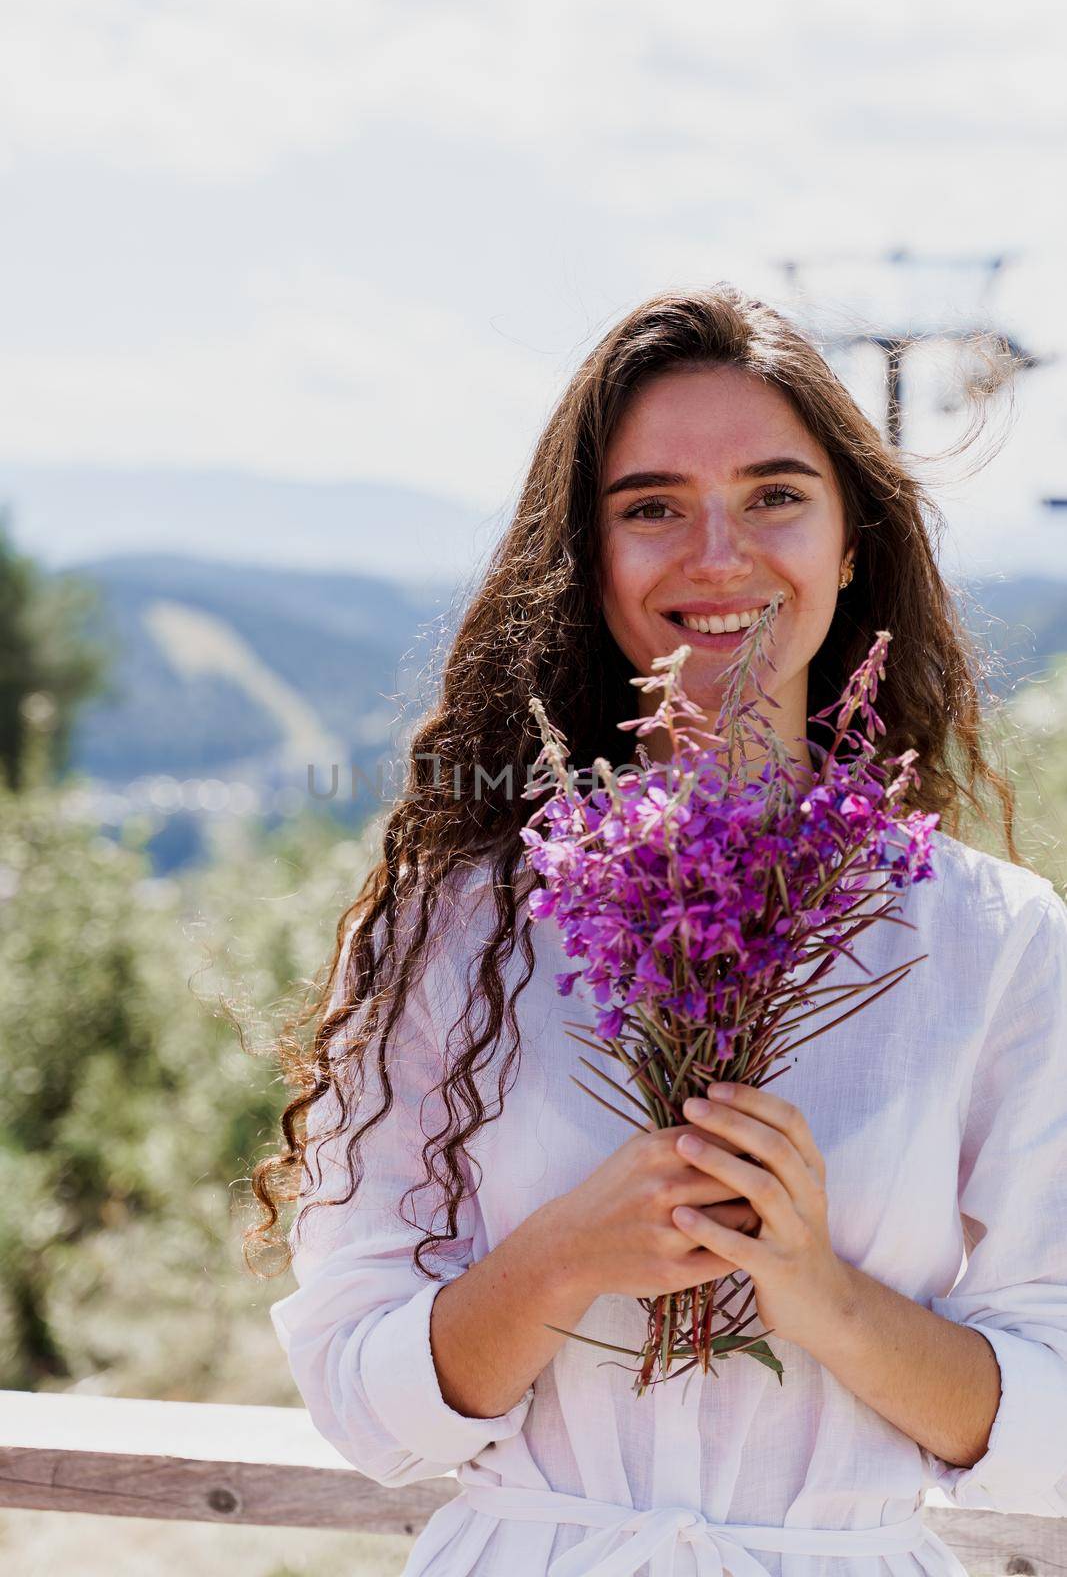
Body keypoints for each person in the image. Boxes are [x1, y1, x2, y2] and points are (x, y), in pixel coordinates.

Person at [248, 285, 1067, 1577]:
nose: (717, 554)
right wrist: (565, 1256)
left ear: (854, 542)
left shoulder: (995, 940)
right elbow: (362, 1402)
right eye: (651, 508)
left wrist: (822, 1292)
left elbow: (1054, 1421)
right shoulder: (457, 927)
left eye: (776, 495)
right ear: (590, 552)